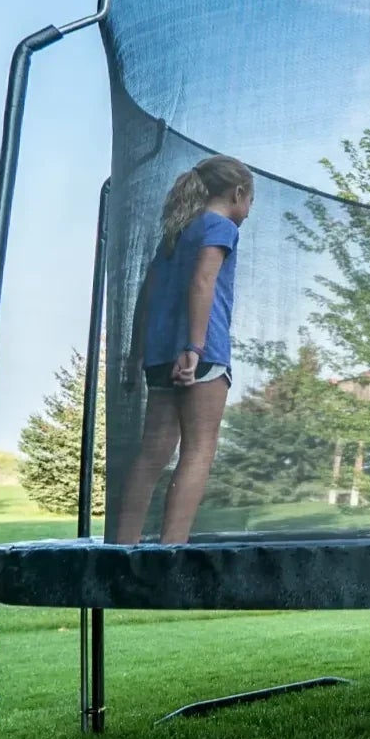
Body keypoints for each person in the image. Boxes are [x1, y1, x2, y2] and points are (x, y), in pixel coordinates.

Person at [110, 155, 254, 544]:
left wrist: (135, 353)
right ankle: (171, 549)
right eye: (250, 201)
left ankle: (123, 546)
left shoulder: (175, 233)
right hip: (200, 352)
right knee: (199, 448)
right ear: (238, 193)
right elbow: (203, 282)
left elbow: (147, 294)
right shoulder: (219, 227)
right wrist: (194, 345)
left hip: (158, 355)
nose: (248, 211)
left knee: (152, 450)